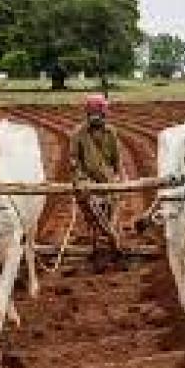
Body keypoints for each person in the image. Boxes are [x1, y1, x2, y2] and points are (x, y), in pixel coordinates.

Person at [69, 94, 124, 253]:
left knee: (112, 213)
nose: (95, 118)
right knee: (93, 218)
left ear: (104, 114)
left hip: (109, 182)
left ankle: (113, 238)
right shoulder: (78, 134)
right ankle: (99, 245)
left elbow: (117, 159)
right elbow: (74, 162)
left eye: (98, 114)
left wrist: (120, 179)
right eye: (92, 114)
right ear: (87, 114)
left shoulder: (111, 132)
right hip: (87, 183)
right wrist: (82, 180)